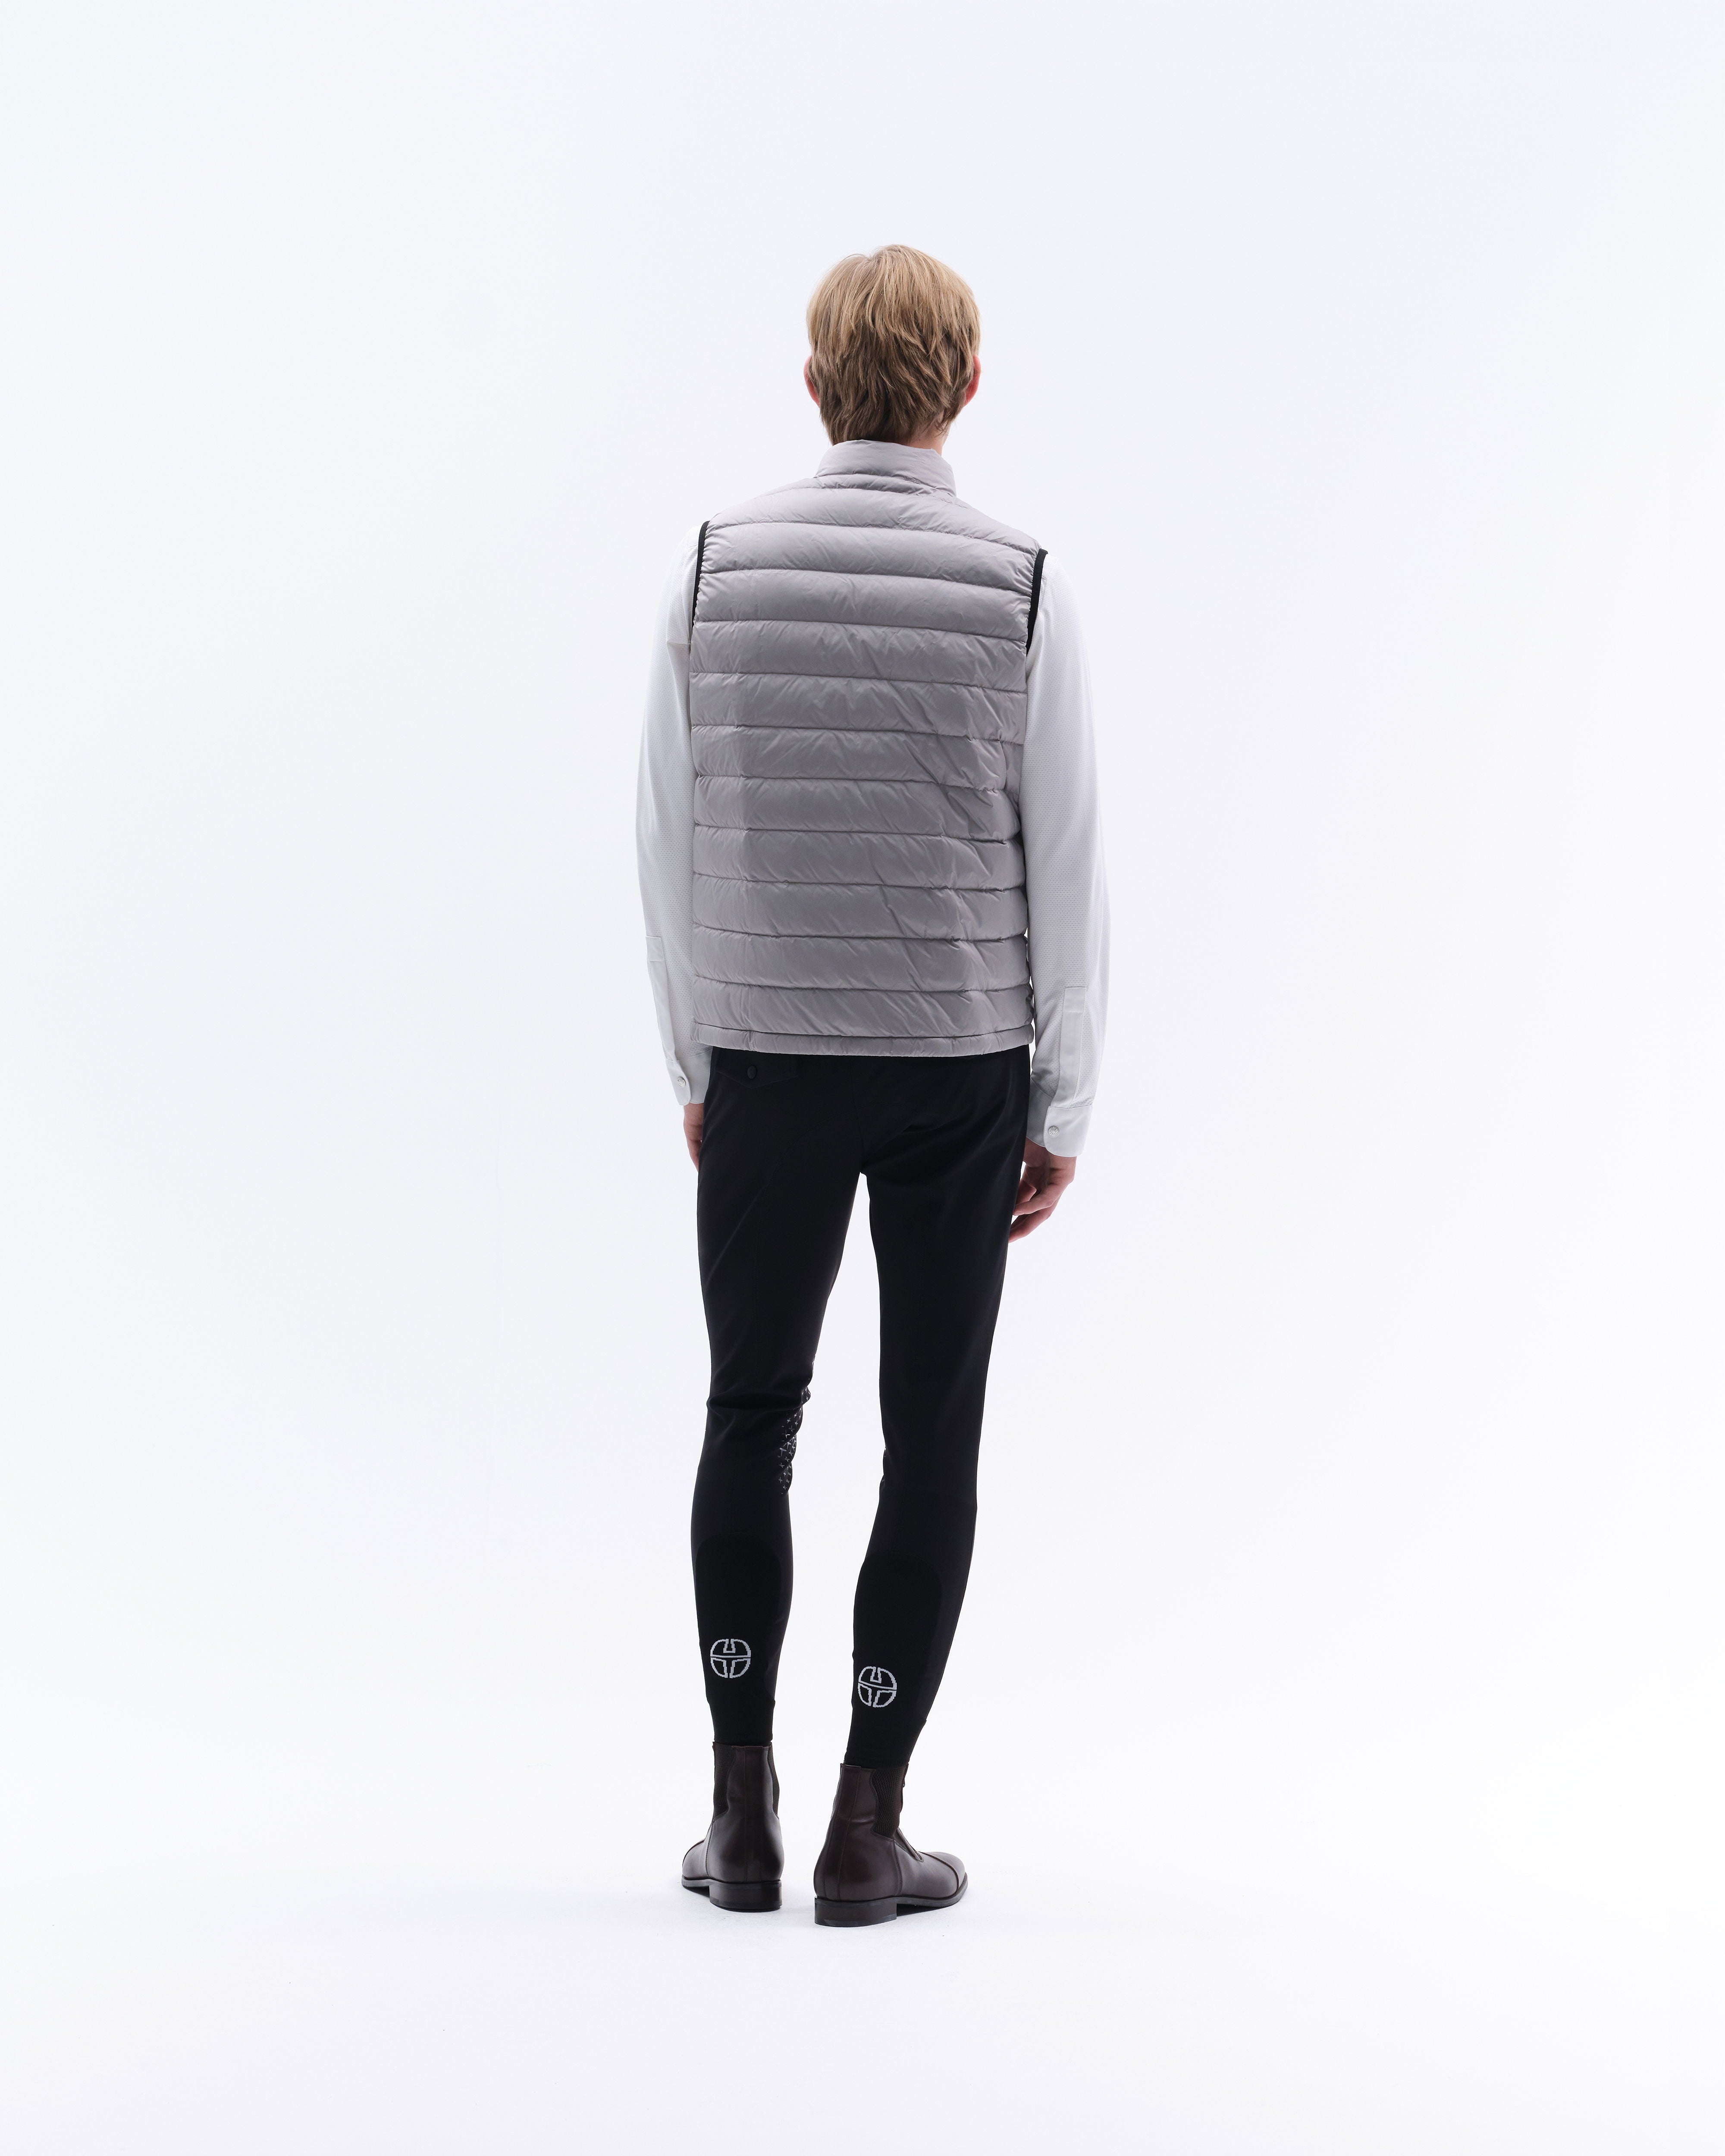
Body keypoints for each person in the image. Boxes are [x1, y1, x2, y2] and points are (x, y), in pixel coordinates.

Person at [636, 245, 1107, 1925]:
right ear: (967, 385)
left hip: (767, 1051)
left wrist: (697, 1059)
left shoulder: (716, 564)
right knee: (930, 1440)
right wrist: (1061, 1101)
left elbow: (669, 838)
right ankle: (866, 1826)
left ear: (813, 381)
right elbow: (1065, 854)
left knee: (748, 1415)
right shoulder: (1022, 582)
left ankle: (739, 1815)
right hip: (953, 1060)